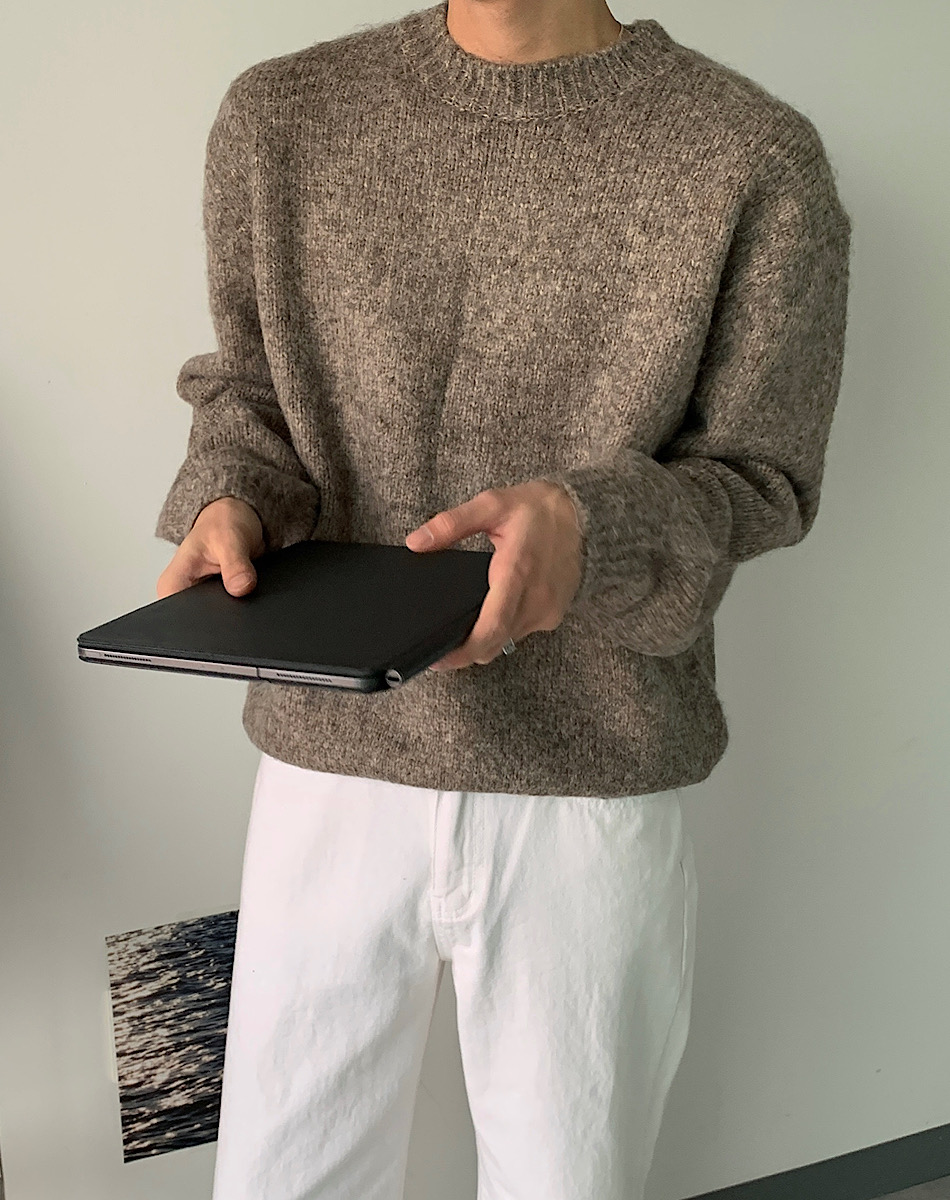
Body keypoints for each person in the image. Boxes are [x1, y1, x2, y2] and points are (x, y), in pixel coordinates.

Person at [155, 1, 851, 1197]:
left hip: (591, 774)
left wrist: (591, 528)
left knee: (569, 1180)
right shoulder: (282, 117)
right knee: (282, 1174)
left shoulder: (749, 155)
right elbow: (248, 395)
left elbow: (760, 477)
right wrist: (230, 499)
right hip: (329, 764)